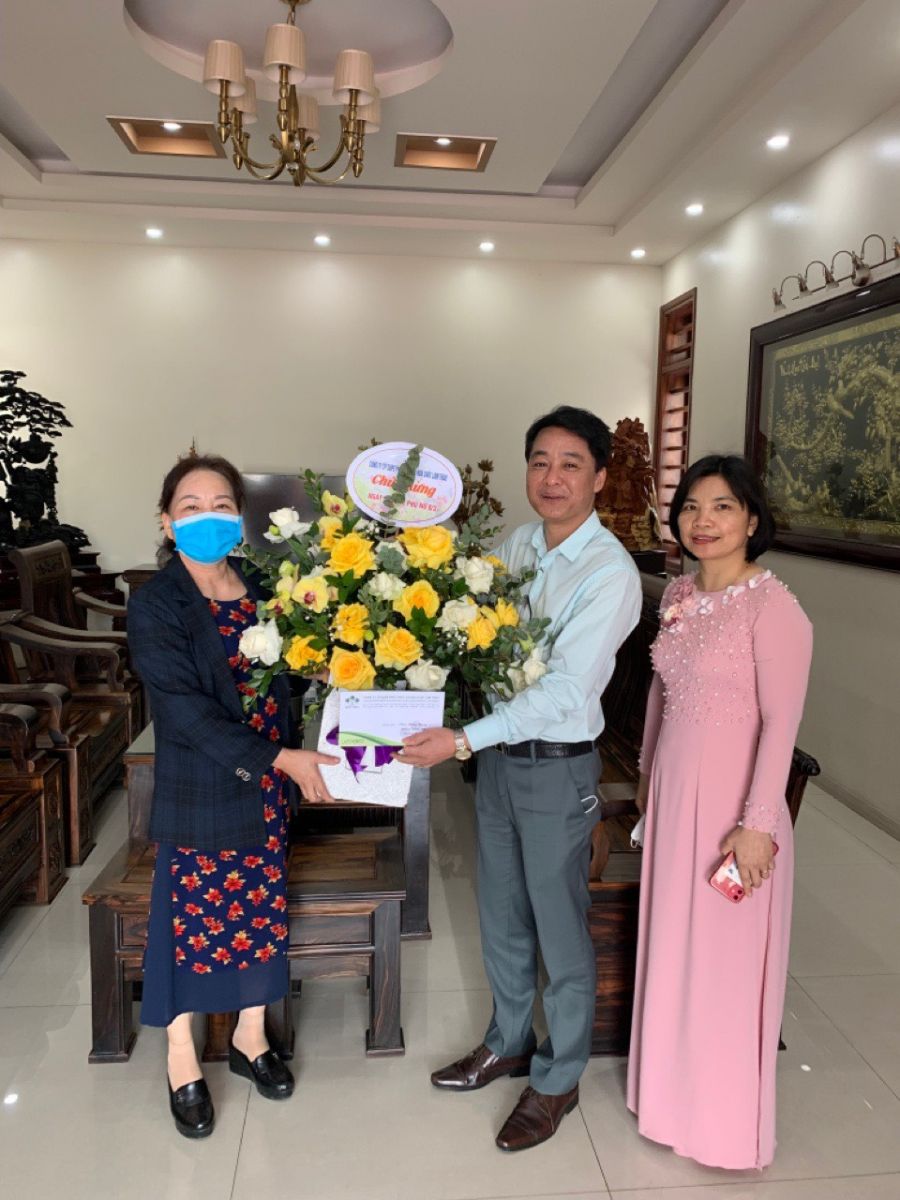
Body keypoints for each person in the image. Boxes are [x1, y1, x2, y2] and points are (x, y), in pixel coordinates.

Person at [399, 406, 641, 1151]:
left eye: (571, 464)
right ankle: (508, 1041)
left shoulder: (610, 573)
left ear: (600, 477)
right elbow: (461, 628)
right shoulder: (517, 546)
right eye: (540, 461)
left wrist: (461, 738)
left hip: (556, 770)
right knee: (501, 913)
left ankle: (559, 1076)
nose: (552, 477)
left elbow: (566, 691)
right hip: (500, 762)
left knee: (559, 929)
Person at [128, 453, 339, 1139]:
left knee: (259, 911)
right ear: (167, 521)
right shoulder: (157, 604)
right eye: (191, 507)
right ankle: (181, 1057)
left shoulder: (260, 585)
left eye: (222, 505)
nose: (208, 518)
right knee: (191, 923)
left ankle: (251, 1036)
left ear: (239, 517)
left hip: (267, 791)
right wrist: (281, 758)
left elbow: (284, 674)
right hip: (203, 788)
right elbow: (183, 710)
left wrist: (323, 671)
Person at [627, 455, 813, 1170]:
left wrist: (758, 825)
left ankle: (722, 1127)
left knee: (722, 966)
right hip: (678, 796)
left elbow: (781, 723)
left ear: (752, 520)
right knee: (674, 947)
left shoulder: (774, 608)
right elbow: (661, 691)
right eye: (691, 507)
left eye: (723, 507)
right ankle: (666, 1099)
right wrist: (648, 775)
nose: (703, 521)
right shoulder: (679, 592)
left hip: (736, 808)